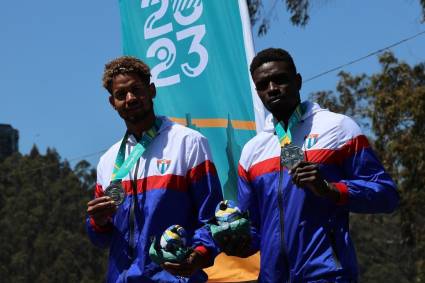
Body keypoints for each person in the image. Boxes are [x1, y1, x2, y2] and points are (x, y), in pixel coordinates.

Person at [224, 48, 399, 282]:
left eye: (280, 79)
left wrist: (330, 189)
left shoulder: (338, 128)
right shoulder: (252, 151)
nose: (272, 88)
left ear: (297, 81)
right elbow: (253, 228)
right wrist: (235, 238)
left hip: (327, 274)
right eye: (263, 84)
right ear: (257, 91)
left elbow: (386, 195)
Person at [86, 56, 223, 282]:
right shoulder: (108, 161)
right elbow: (102, 239)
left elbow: (212, 217)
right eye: (121, 95)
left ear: (151, 91)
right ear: (113, 103)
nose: (130, 99)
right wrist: (97, 223)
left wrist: (198, 256)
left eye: (136, 90)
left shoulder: (188, 143)